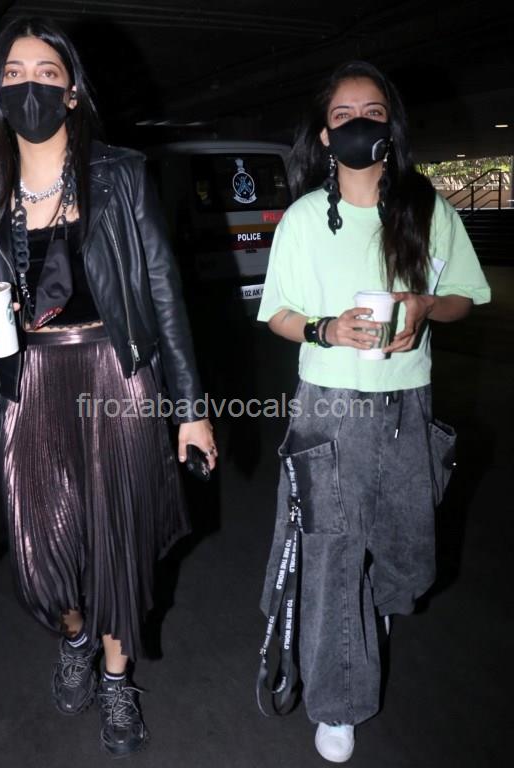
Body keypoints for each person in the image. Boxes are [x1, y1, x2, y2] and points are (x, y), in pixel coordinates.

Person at [0, 16, 216, 759]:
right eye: (13, 74)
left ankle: (114, 677)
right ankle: (72, 635)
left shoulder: (120, 174)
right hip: (31, 383)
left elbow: (163, 293)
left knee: (117, 546)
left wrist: (191, 410)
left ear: (72, 93)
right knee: (40, 561)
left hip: (116, 378)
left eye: (47, 73)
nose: (29, 87)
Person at [257, 60, 490, 763]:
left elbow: (467, 296)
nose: (358, 124)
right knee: (333, 558)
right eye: (343, 116)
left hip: (407, 406)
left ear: (392, 127)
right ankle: (338, 703)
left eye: (372, 113)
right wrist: (327, 328)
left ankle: (365, 622)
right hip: (329, 411)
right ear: (326, 137)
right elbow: (277, 314)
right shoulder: (303, 220)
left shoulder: (427, 210)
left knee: (405, 558)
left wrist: (425, 305)